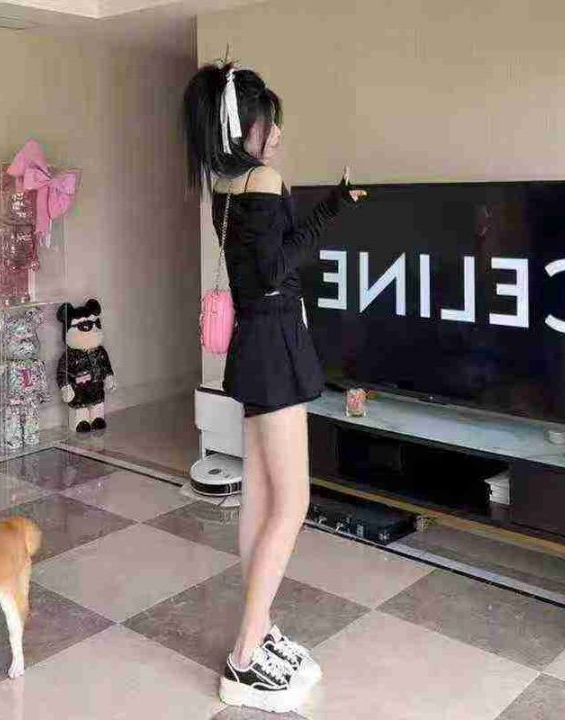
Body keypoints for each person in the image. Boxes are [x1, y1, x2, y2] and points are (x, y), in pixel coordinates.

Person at [182, 59, 367, 713]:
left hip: (254, 344)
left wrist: (326, 206)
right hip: (278, 342)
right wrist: (328, 208)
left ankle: (258, 634)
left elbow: (263, 261)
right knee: (291, 502)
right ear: (246, 128)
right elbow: (276, 268)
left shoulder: (223, 186)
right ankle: (244, 658)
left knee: (259, 500)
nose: (278, 135)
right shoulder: (262, 179)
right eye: (270, 124)